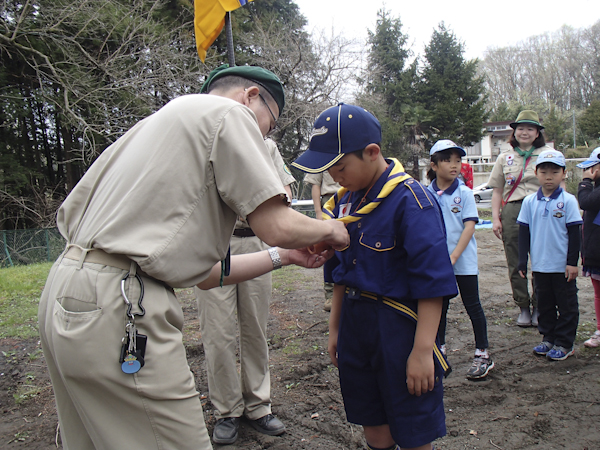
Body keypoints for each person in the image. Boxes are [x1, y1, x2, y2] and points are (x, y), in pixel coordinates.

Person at [37, 64, 349, 450]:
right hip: (121, 303)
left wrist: (283, 257)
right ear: (251, 96)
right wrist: (332, 229)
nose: (265, 134)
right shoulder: (231, 114)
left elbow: (206, 274)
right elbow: (276, 223)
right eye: (270, 124)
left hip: (64, 290)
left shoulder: (153, 126)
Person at [292, 103, 458, 450]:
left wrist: (422, 351)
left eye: (339, 167)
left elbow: (433, 283)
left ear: (371, 153)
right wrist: (335, 328)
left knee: (413, 430)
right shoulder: (344, 204)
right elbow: (341, 272)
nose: (334, 177)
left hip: (399, 328)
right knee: (374, 425)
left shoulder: (412, 200)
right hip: (356, 323)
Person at [195, 138, 295, 445]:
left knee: (255, 327)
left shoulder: (266, 146)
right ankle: (226, 410)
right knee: (217, 331)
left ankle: (258, 406)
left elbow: (287, 189)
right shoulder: (207, 141)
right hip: (214, 244)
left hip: (255, 241)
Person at [426, 140, 493, 380]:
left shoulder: (464, 193)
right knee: (438, 308)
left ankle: (483, 353)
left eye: (458, 160)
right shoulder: (426, 193)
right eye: (447, 160)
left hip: (462, 261)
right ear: (433, 165)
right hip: (436, 263)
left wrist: (453, 256)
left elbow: (469, 227)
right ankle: (439, 351)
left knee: (472, 305)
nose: (454, 165)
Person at [488, 110, 553, 327]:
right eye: (520, 128)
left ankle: (539, 306)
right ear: (514, 132)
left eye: (530, 129)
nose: (524, 132)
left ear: (537, 133)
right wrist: (496, 219)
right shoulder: (504, 157)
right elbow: (497, 190)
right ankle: (523, 306)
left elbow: (559, 185)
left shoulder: (548, 154)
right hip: (513, 210)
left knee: (542, 260)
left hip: (541, 208)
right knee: (516, 261)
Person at [517, 150, 582, 361]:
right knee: (543, 304)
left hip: (561, 266)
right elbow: (524, 233)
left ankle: (565, 343)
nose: (549, 176)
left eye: (555, 171)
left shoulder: (568, 201)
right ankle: (548, 337)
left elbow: (575, 235)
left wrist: (572, 263)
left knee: (566, 305)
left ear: (563, 173)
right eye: (544, 171)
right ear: (536, 173)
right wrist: (522, 261)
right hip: (540, 266)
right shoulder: (529, 202)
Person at [304, 171, 342, 311]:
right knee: (330, 249)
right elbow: (315, 185)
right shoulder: (322, 154)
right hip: (329, 202)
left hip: (352, 198)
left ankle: (350, 290)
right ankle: (330, 294)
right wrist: (319, 213)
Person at [576, 147, 600, 348]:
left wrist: (586, 182)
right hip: (594, 252)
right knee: (598, 293)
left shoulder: (594, 189)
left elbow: (585, 202)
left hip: (597, 252)